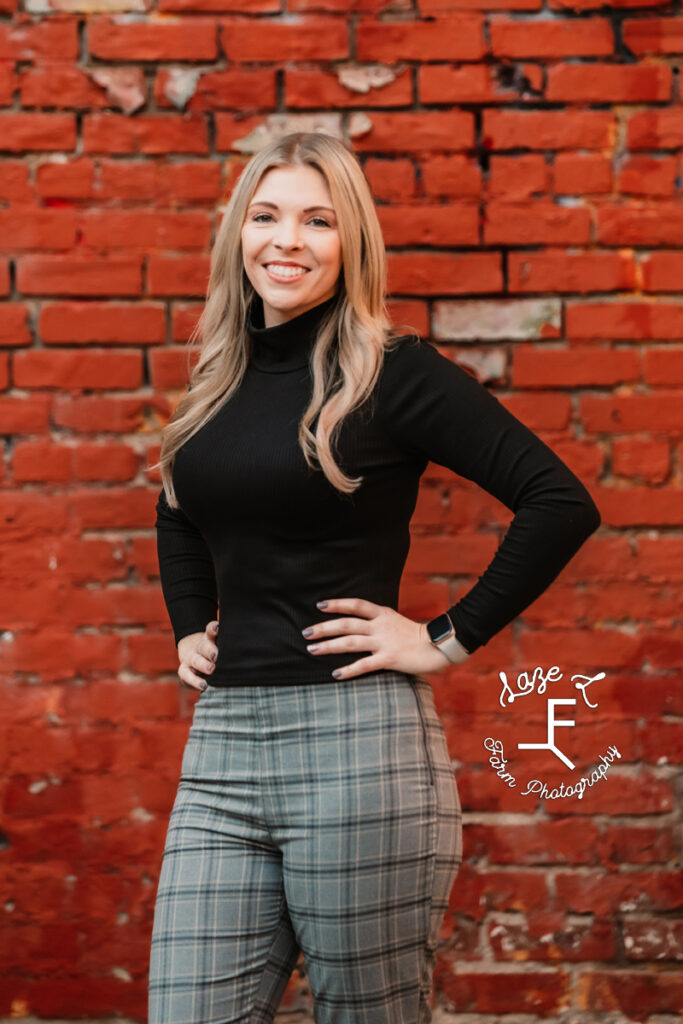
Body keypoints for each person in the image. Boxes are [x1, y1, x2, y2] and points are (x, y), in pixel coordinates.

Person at [147, 131, 601, 1024]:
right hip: (223, 749)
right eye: (267, 215)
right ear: (238, 231)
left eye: (317, 221)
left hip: (356, 746)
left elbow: (557, 500)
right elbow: (175, 507)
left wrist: (443, 637)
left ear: (350, 241)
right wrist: (190, 622)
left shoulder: (390, 373)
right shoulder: (218, 377)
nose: (287, 240)